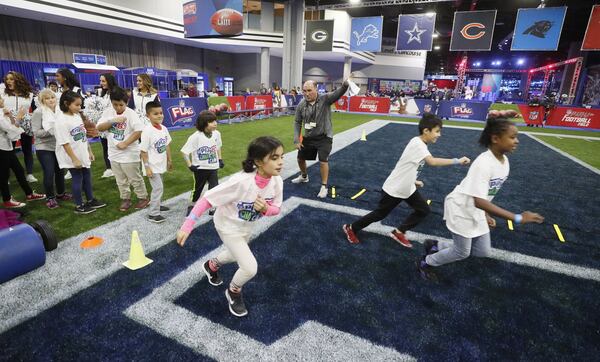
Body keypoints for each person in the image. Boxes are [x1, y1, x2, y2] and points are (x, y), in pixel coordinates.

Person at [416, 118, 544, 281]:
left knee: (482, 251)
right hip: (461, 209)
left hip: (476, 209)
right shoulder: (484, 163)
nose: (517, 141)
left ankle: (436, 246)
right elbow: (479, 200)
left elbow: (485, 195)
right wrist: (517, 218)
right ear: (495, 138)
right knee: (462, 252)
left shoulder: (505, 163)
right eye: (512, 137)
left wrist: (486, 214)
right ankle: (426, 262)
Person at [176, 136, 284, 317]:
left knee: (235, 255)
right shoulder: (240, 181)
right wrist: (187, 225)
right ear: (258, 162)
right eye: (274, 158)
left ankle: (211, 266)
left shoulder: (277, 181)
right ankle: (233, 291)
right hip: (227, 226)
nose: (280, 162)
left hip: (246, 227)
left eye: (281, 156)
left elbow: (277, 209)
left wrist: (266, 209)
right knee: (249, 267)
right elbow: (207, 199)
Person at [342, 114, 470, 247]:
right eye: (437, 131)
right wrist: (457, 161)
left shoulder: (420, 144)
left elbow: (409, 165)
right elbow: (432, 161)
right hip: (395, 188)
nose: (439, 135)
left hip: (407, 188)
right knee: (379, 214)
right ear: (426, 130)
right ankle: (351, 228)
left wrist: (414, 181)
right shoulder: (418, 144)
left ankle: (399, 231)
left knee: (423, 210)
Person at [291, 78, 350, 198]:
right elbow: (297, 121)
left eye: (309, 90)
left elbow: (338, 93)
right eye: (304, 91)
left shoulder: (325, 99)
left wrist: (345, 85)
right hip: (309, 137)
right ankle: (304, 176)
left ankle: (324, 186)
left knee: (323, 160)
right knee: (300, 159)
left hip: (324, 137)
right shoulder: (301, 105)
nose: (306, 93)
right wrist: (297, 139)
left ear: (316, 89)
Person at [96, 87, 149, 212]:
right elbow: (100, 127)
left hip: (130, 153)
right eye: (115, 104)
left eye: (121, 105)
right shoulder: (108, 112)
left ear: (126, 102)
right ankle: (125, 198)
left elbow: (139, 131)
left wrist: (126, 143)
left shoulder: (131, 113)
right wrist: (113, 121)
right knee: (120, 179)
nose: (118, 107)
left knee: (134, 178)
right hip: (113, 153)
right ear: (112, 102)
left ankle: (143, 197)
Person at [54, 91, 105, 214]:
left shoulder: (76, 116)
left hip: (82, 152)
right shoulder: (61, 120)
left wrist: (89, 151)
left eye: (80, 104)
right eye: (76, 105)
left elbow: (83, 135)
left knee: (87, 176)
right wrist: (74, 159)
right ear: (66, 103)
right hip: (72, 155)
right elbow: (64, 143)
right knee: (78, 178)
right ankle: (79, 205)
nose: (79, 107)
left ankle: (90, 200)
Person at [0, 97, 45, 208]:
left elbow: (12, 125)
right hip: (2, 148)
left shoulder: (1, 112)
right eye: (0, 99)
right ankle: (7, 200)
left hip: (7, 146)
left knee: (19, 171)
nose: (2, 101)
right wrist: (19, 116)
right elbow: (10, 130)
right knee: (3, 176)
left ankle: (29, 194)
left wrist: (10, 116)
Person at [31, 89, 71, 209]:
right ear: (42, 101)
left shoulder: (60, 110)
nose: (51, 100)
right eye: (47, 98)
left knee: (60, 171)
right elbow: (36, 132)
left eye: (52, 97)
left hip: (58, 145)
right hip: (43, 146)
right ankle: (50, 198)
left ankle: (60, 194)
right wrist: (52, 129)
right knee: (49, 172)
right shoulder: (38, 112)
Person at [181, 110, 223, 215]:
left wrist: (220, 159)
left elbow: (218, 147)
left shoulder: (217, 134)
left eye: (215, 121)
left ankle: (212, 206)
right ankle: (192, 204)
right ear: (204, 123)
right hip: (200, 169)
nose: (215, 123)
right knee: (198, 189)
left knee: (214, 188)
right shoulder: (195, 137)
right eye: (211, 122)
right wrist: (190, 165)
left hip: (213, 167)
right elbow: (184, 152)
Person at [2, 71, 37, 183]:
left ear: (18, 80)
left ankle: (30, 174)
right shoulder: (3, 92)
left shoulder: (29, 94)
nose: (9, 81)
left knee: (27, 150)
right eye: (7, 79)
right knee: (8, 151)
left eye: (11, 79)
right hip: (9, 124)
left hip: (25, 124)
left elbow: (35, 110)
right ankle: (6, 176)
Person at [140, 101, 172, 223]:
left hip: (160, 164)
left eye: (161, 113)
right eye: (155, 114)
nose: (159, 116)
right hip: (152, 166)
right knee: (158, 188)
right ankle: (153, 214)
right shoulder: (147, 131)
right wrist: (147, 167)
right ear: (148, 116)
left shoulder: (163, 128)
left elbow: (167, 144)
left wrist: (169, 160)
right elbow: (143, 151)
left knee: (160, 187)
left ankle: (157, 205)